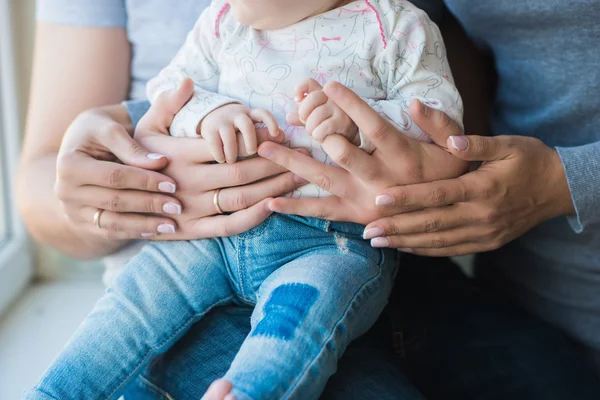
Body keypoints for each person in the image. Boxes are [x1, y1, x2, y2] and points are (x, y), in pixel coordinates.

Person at [18, 0, 600, 399]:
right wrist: (204, 117)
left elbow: (441, 121)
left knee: (305, 314)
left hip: (335, 248)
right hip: (197, 247)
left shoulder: (392, 23)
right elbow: (174, 89)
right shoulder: (222, 22)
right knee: (133, 311)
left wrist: (363, 126)